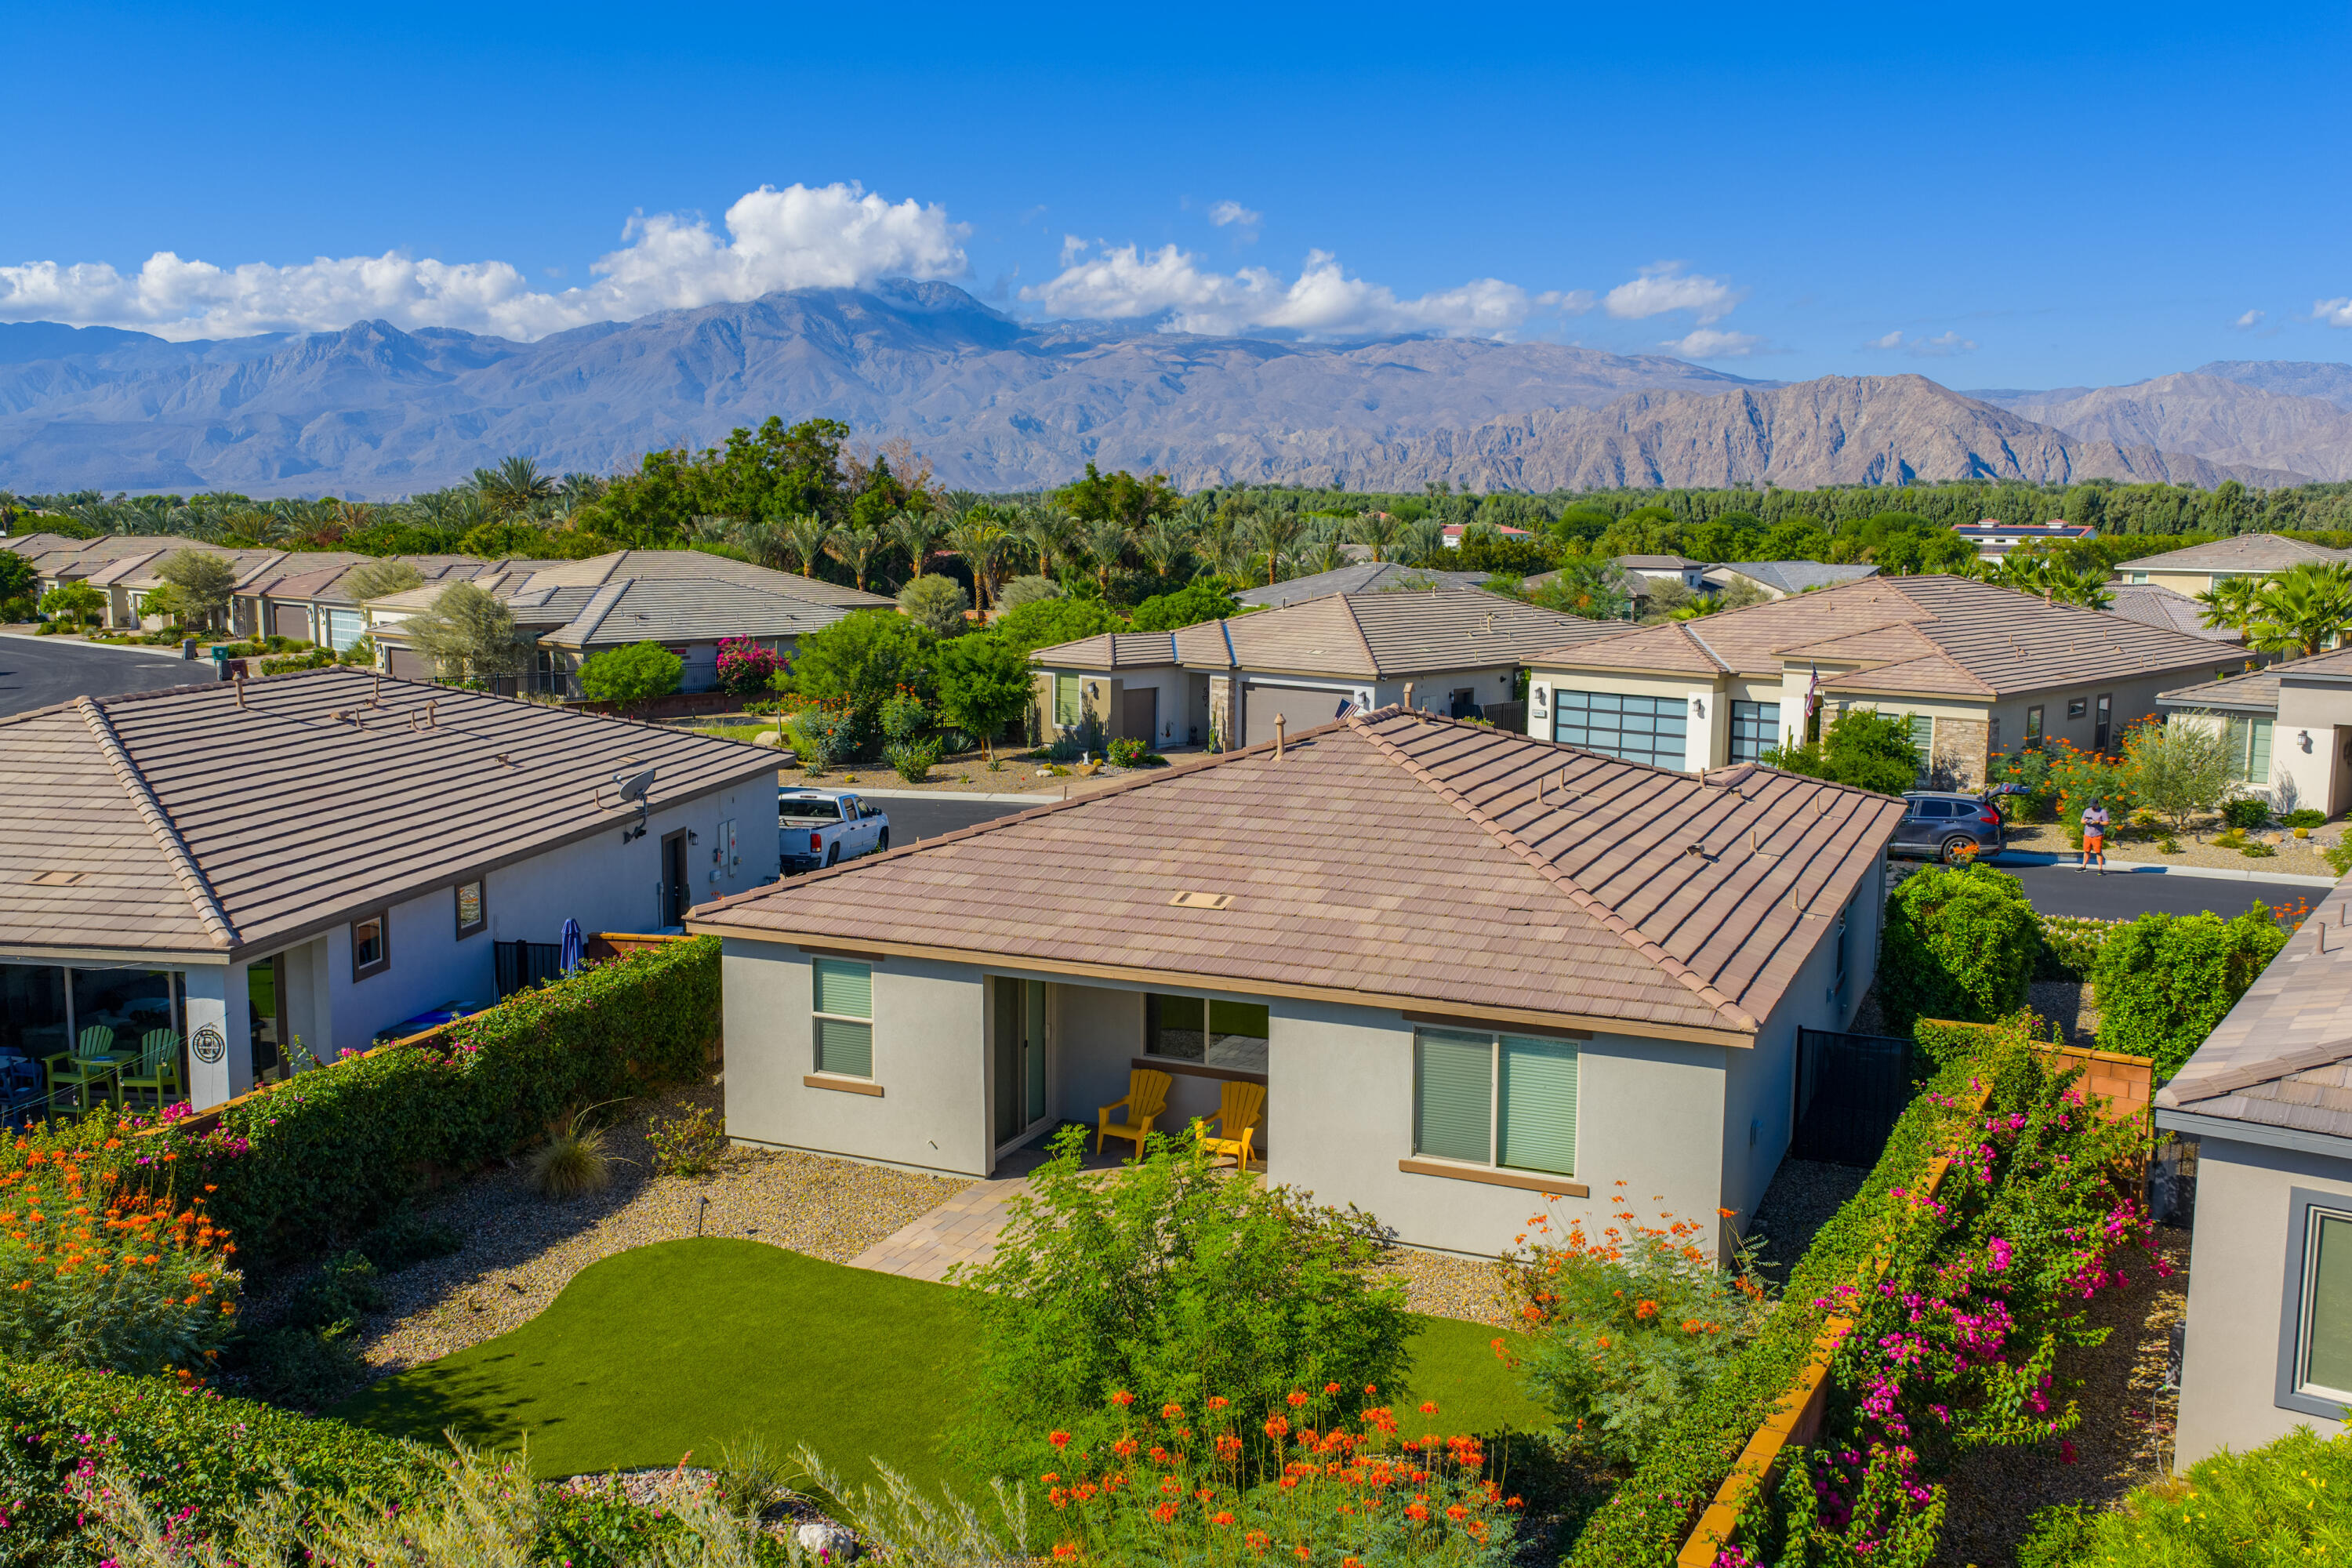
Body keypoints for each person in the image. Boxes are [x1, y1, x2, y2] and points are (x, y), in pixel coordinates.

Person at [2079, 797, 2110, 873]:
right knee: (2086, 851)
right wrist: (2085, 821)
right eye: (2091, 805)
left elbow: (2107, 823)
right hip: (2087, 834)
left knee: (2098, 852)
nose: (2092, 807)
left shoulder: (2103, 812)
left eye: (2094, 805)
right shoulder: (2087, 810)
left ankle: (2100, 869)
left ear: (2097, 804)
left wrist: (2097, 822)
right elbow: (2082, 821)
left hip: (2097, 835)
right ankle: (2084, 866)